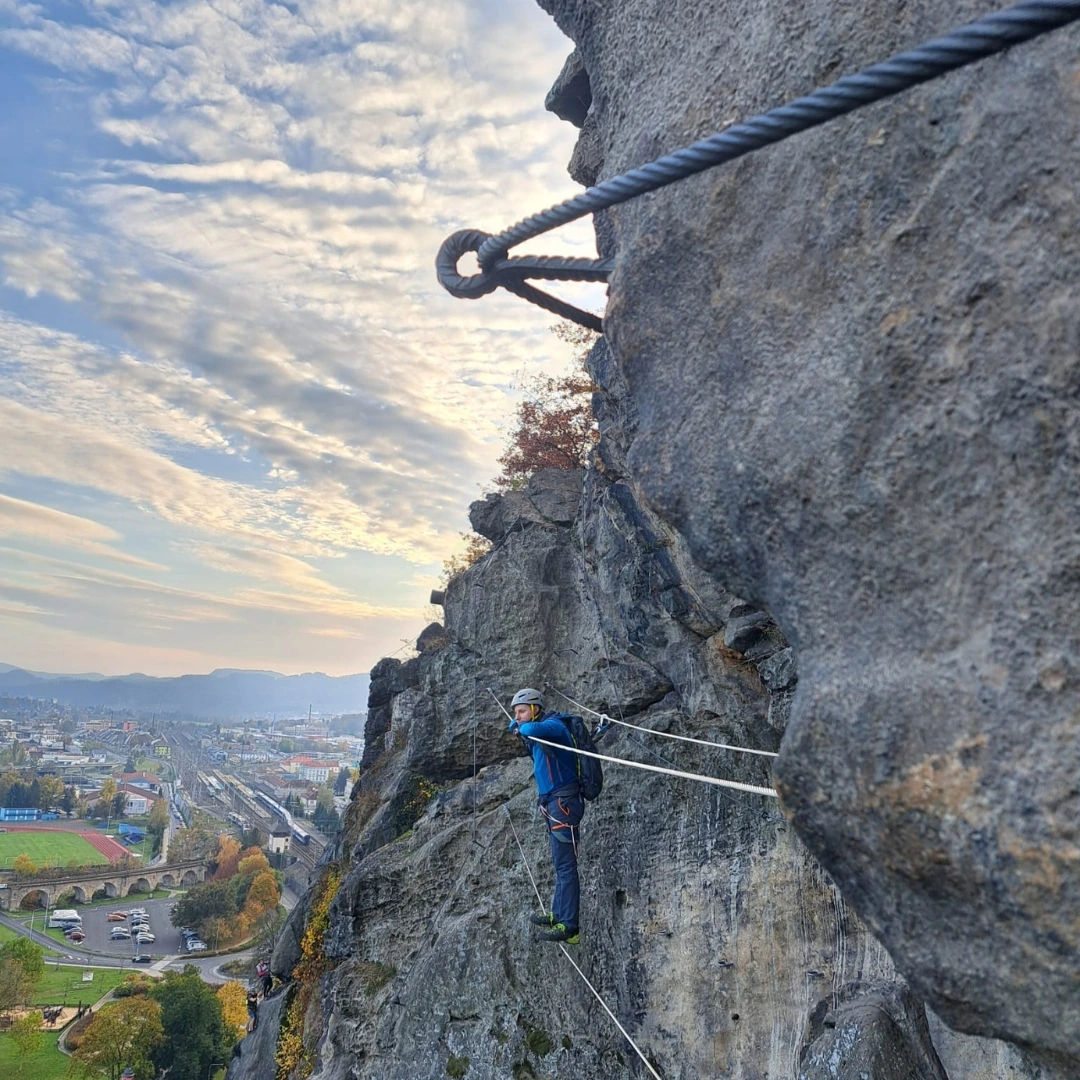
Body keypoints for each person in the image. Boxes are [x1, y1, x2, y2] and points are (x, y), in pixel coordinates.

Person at [508, 687, 584, 943]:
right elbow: (528, 732)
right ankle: (557, 913)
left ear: (534, 708)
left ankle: (569, 925)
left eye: (521, 711)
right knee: (559, 862)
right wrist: (518, 727)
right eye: (515, 713)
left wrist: (519, 727)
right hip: (553, 802)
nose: (517, 716)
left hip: (564, 802)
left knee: (566, 865)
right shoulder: (538, 730)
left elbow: (531, 729)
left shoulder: (553, 726)